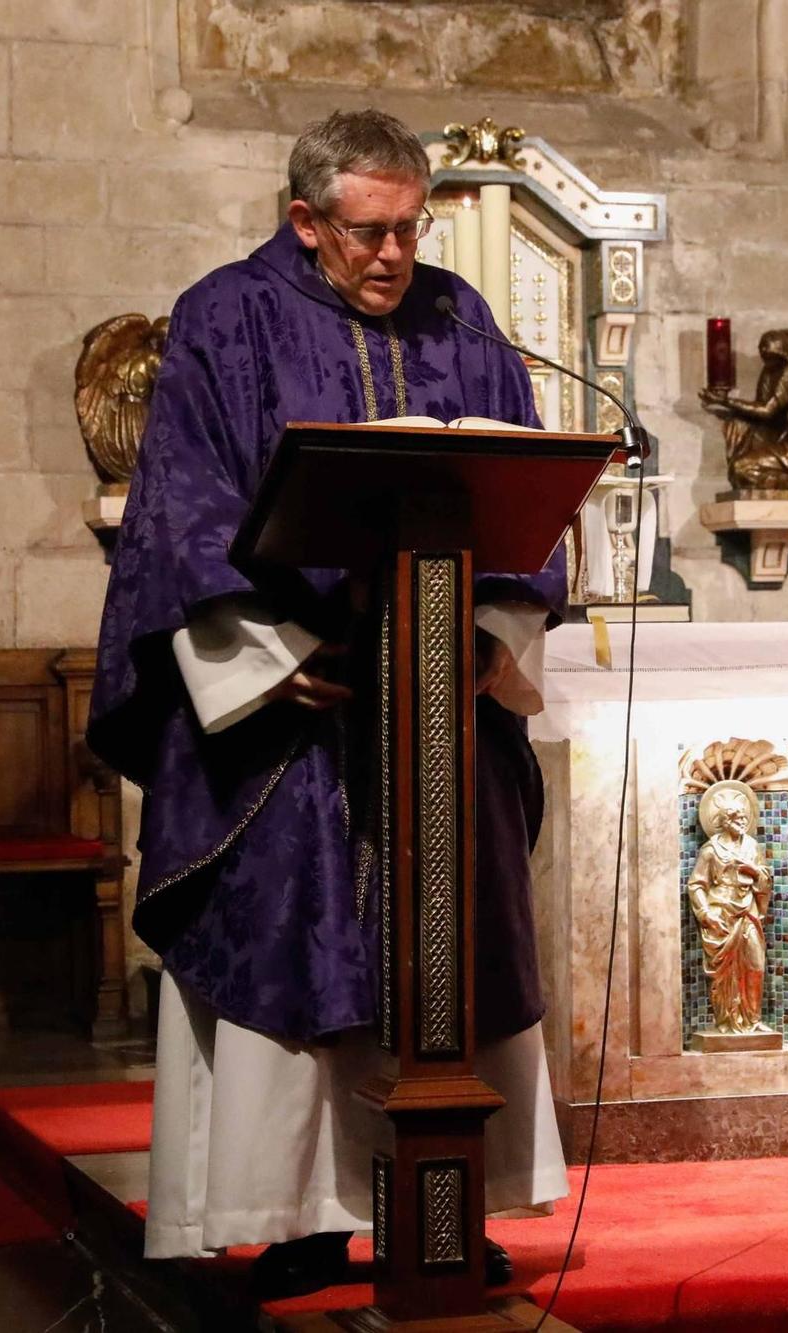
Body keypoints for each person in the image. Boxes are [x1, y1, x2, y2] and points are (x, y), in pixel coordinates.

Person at [88, 109, 567, 1293]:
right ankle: (297, 1215)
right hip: (293, 714)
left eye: (408, 228)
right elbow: (181, 512)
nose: (393, 256)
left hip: (439, 708)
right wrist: (262, 653)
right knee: (294, 945)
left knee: (451, 952)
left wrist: (487, 639)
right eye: (365, 232)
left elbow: (526, 498)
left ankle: (443, 1205)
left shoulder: (463, 319)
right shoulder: (225, 318)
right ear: (305, 222)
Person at [686, 784, 774, 1033]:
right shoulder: (711, 850)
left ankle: (752, 1018)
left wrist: (755, 871)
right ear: (725, 821)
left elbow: (765, 880)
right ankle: (726, 1019)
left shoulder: (752, 847)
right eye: (736, 818)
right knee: (725, 973)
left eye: (744, 818)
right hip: (721, 913)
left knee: (755, 965)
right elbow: (697, 884)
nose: (742, 822)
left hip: (748, 912)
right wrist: (706, 913)